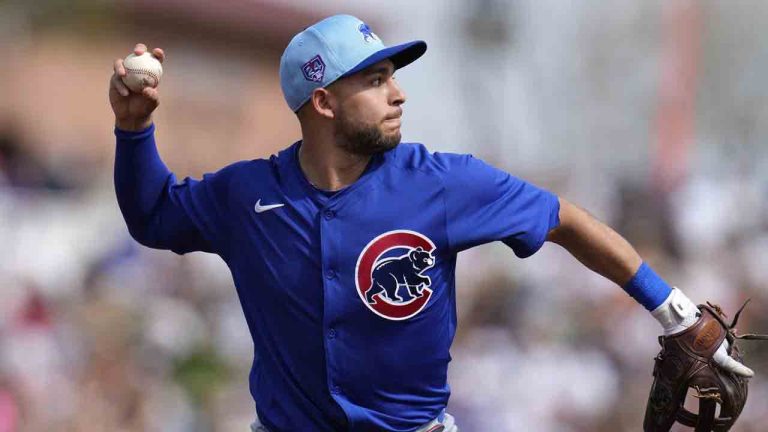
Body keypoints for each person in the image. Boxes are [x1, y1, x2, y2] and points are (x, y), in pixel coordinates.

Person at [109, 14, 753, 432]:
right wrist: (135, 129)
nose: (400, 93)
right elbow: (154, 216)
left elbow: (563, 220)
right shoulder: (248, 195)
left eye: (395, 76)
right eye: (377, 78)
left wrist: (673, 309)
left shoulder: (441, 181)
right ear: (324, 101)